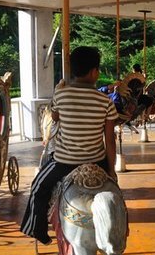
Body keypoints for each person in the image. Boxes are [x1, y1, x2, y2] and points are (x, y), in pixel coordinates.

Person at [20, 46, 119, 244]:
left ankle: (36, 229)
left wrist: (61, 90)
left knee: (38, 187)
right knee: (117, 197)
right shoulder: (105, 101)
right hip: (96, 162)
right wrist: (111, 169)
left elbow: (54, 116)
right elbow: (109, 140)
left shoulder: (61, 95)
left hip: (64, 162)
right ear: (93, 72)